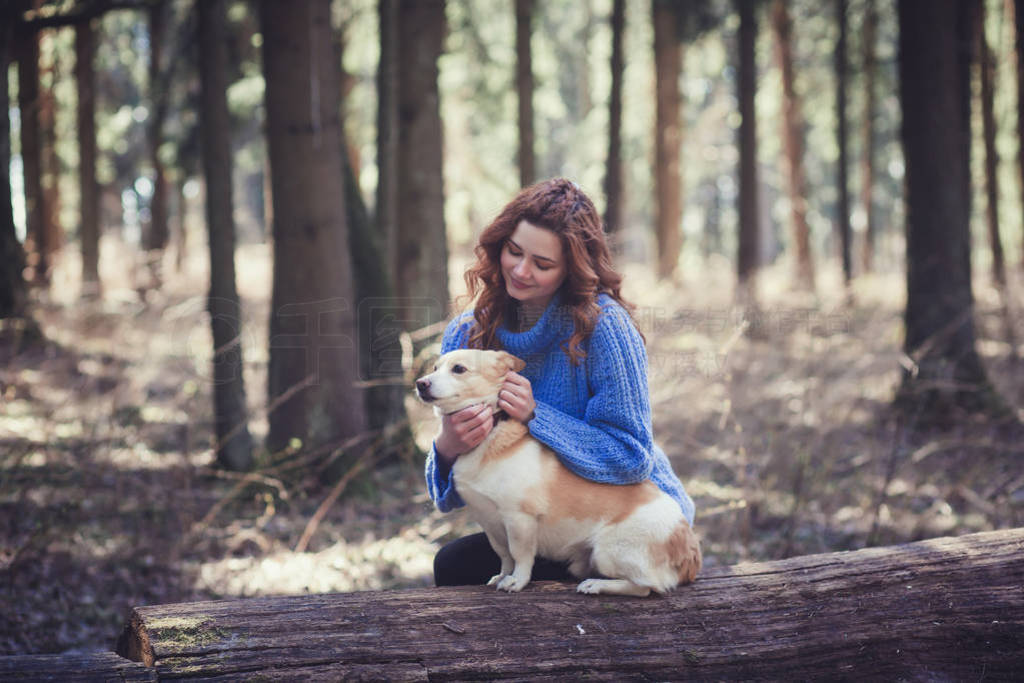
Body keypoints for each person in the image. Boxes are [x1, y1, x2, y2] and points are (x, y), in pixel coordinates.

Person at [425, 178, 696, 586]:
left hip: (626, 521)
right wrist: (447, 448)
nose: (521, 270)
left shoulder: (605, 329)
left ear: (573, 269)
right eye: (514, 252)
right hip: (541, 519)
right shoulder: (469, 334)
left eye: (543, 264)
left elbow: (632, 456)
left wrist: (537, 416)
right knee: (453, 566)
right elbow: (446, 497)